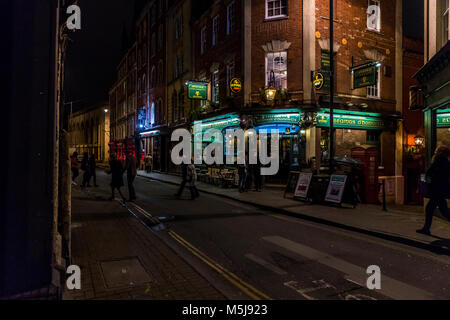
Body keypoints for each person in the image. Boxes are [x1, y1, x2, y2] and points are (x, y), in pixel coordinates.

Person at [417, 145, 450, 235]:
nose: (435, 151)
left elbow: (431, 173)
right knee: (440, 210)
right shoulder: (445, 161)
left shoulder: (439, 160)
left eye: (437, 150)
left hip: (437, 190)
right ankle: (426, 229)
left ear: (440, 152)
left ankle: (426, 229)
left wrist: (426, 180)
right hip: (440, 190)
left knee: (437, 210)